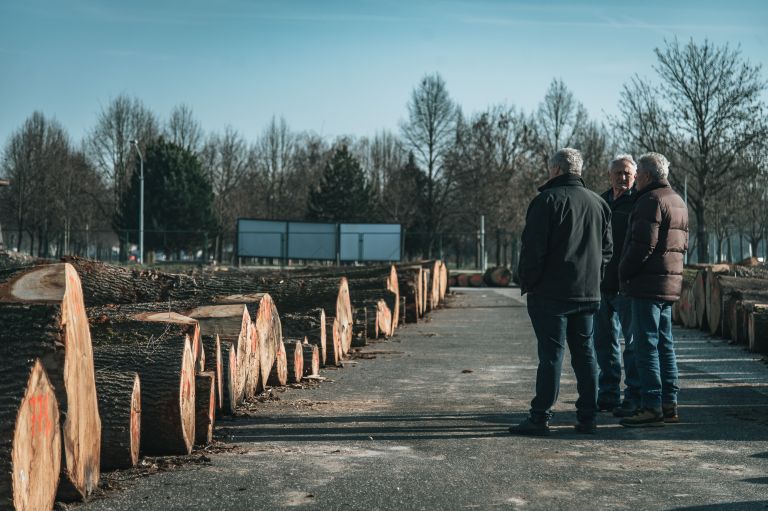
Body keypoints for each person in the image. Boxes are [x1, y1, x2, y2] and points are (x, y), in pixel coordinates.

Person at [510, 148, 612, 436]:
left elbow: (532, 251)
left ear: (555, 170)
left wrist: (529, 282)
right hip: (588, 293)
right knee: (586, 354)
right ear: (577, 170)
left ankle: (540, 416)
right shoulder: (599, 204)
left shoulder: (547, 201)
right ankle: (588, 417)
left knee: (551, 355)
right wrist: (595, 278)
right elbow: (607, 251)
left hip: (551, 294)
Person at [618, 152, 688, 427]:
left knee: (646, 345)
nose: (633, 182)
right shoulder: (677, 200)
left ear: (645, 176)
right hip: (668, 282)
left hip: (646, 283)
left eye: (637, 176)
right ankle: (669, 402)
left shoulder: (650, 200)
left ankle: (650, 405)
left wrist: (623, 271)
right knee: (665, 344)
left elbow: (642, 245)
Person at [593, 155, 640, 417]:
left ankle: (633, 395)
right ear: (609, 175)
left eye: (627, 173)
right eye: (618, 173)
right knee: (604, 342)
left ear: (634, 176)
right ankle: (608, 393)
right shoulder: (600, 202)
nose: (622, 177)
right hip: (601, 285)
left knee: (631, 345)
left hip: (627, 286)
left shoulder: (639, 203)